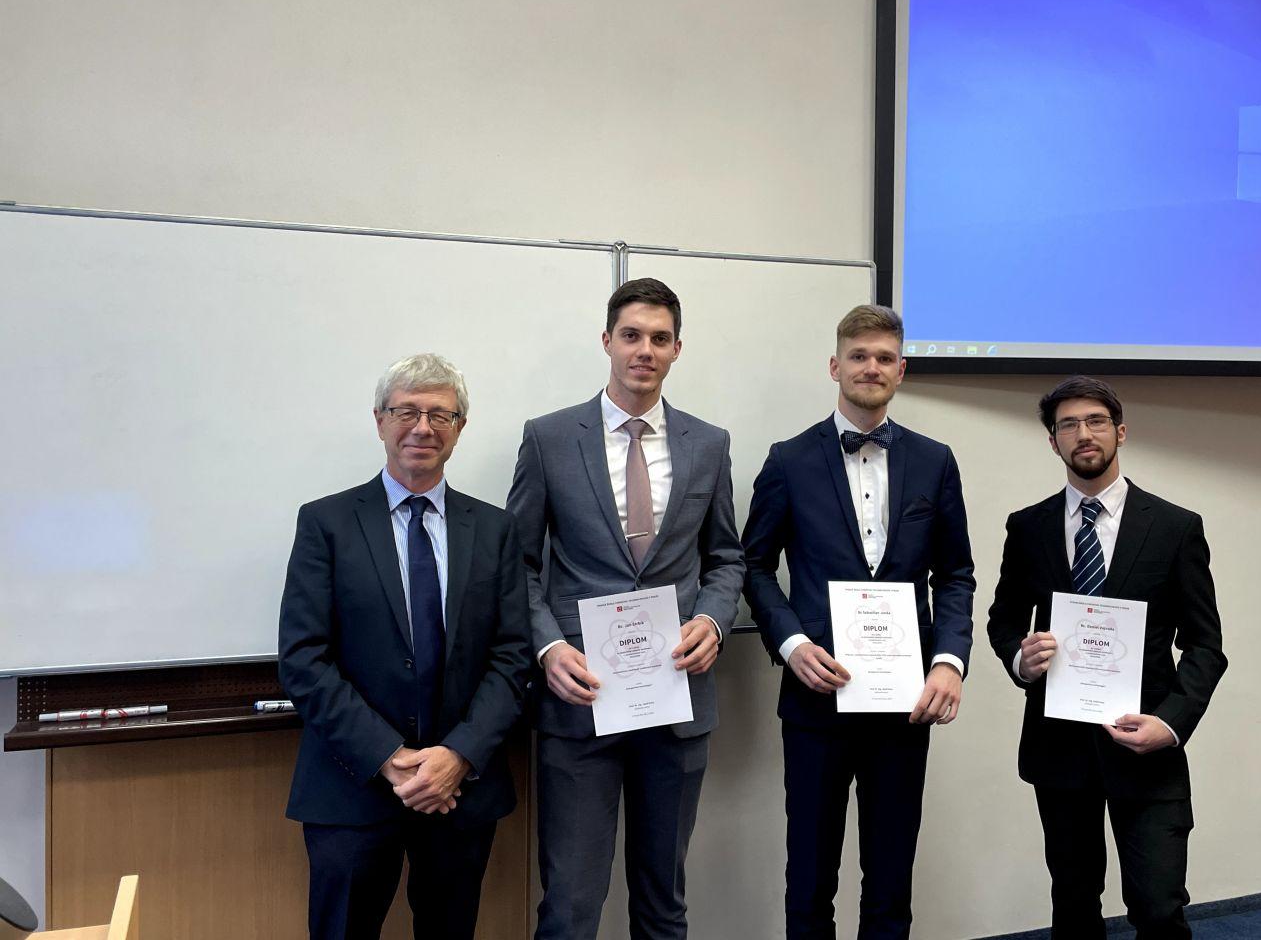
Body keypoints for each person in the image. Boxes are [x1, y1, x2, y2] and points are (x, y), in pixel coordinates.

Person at [506, 278, 744, 940]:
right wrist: (548, 648)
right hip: (580, 700)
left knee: (663, 903)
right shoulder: (550, 438)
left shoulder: (708, 443)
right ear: (607, 341)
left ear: (676, 350)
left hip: (675, 698)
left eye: (660, 339)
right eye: (632, 336)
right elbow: (517, 565)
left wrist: (712, 620)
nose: (645, 350)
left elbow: (727, 557)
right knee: (570, 906)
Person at [278, 353, 531, 940]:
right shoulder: (326, 523)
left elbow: (512, 656)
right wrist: (390, 758)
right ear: (379, 421)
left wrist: (458, 755)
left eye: (441, 414)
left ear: (459, 428)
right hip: (352, 785)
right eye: (406, 412)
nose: (423, 427)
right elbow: (304, 660)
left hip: (459, 790)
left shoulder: (495, 530)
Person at [742, 304, 975, 939]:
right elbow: (753, 565)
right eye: (859, 356)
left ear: (902, 370)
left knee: (891, 878)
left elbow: (956, 574)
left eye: (884, 358)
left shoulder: (935, 461)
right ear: (834, 365)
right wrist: (792, 643)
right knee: (810, 877)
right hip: (816, 698)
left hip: (906, 704)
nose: (871, 367)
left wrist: (949, 662)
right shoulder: (789, 460)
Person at [986, 375, 1227, 939]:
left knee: (1159, 907)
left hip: (1147, 746)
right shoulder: (1028, 527)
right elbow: (1003, 620)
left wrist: (1171, 723)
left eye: (1095, 421)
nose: (1083, 434)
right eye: (1068, 425)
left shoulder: (1175, 527)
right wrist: (1021, 660)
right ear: (1053, 442)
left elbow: (1205, 644)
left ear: (1120, 432)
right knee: (1073, 903)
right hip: (1059, 749)